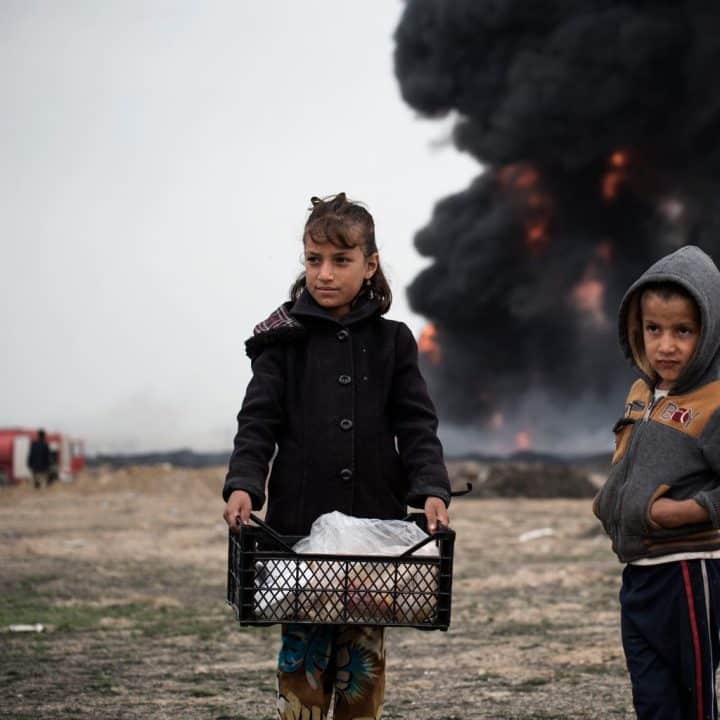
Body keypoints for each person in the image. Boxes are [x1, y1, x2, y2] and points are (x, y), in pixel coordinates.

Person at [222, 192, 451, 720]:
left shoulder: (394, 342)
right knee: (301, 679)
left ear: (369, 265)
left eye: (341, 260)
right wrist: (243, 484)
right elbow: (257, 422)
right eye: (313, 259)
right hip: (298, 534)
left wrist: (431, 490)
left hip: (374, 537)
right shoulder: (281, 341)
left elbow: (417, 424)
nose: (324, 274)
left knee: (361, 680)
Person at [594, 245, 720, 720]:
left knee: (693, 703)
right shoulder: (642, 392)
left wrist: (684, 511)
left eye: (683, 331)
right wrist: (608, 502)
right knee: (652, 701)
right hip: (640, 572)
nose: (666, 345)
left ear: (710, 331)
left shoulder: (714, 400)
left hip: (691, 572)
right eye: (654, 329)